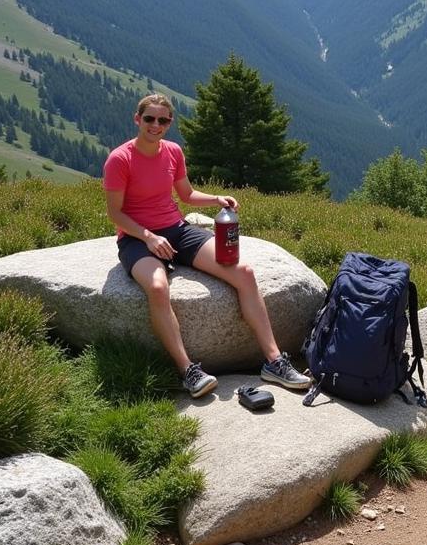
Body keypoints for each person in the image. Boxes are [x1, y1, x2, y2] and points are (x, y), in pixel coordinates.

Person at [103, 93, 311, 398]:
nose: (156, 125)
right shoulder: (120, 159)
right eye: (149, 118)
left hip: (176, 229)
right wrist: (148, 236)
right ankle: (188, 370)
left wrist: (216, 199)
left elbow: (185, 194)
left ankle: (274, 361)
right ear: (137, 119)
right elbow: (115, 213)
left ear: (169, 122)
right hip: (137, 239)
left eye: (163, 120)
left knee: (244, 272)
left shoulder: (173, 152)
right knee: (159, 288)